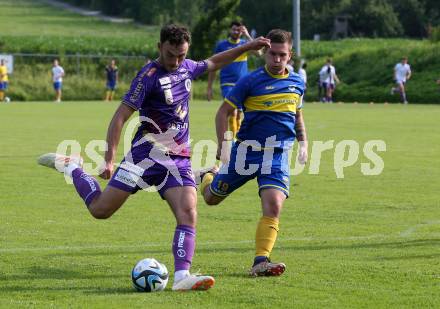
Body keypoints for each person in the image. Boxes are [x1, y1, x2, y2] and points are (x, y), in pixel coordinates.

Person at [38, 24, 270, 291]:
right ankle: (74, 168)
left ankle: (182, 276)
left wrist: (249, 46)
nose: (177, 61)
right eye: (171, 54)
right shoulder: (147, 77)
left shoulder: (187, 67)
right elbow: (120, 117)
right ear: (159, 47)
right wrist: (108, 159)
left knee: (188, 212)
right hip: (144, 156)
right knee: (100, 210)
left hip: (178, 158)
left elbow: (215, 61)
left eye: (182, 55)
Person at [199, 29, 308, 277]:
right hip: (246, 153)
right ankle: (207, 175)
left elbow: (297, 115)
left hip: (277, 155)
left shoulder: (297, 83)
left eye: (283, 55)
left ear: (290, 55)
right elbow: (222, 113)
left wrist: (304, 143)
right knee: (211, 198)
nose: (277, 59)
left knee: (274, 205)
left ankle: (261, 261)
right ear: (265, 53)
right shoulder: (250, 81)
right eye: (273, 54)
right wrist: (223, 144)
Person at [207, 21, 260, 138]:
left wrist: (247, 35)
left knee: (238, 114)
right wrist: (209, 87)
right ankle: (236, 141)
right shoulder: (222, 46)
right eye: (234, 29)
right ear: (229, 30)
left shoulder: (245, 44)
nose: (236, 32)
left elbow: (259, 53)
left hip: (243, 84)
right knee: (232, 111)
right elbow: (213, 66)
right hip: (227, 83)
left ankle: (238, 138)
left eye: (239, 30)